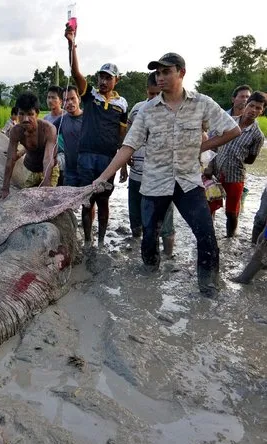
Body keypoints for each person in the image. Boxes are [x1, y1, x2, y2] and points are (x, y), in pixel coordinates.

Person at [93, 52, 241, 297]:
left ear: (181, 72)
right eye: (158, 73)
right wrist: (102, 177)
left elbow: (232, 129)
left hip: (188, 181)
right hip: (155, 182)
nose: (160, 77)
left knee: (205, 233)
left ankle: (208, 286)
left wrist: (202, 146)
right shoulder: (147, 111)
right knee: (149, 235)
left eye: (166, 72)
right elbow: (128, 146)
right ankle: (149, 277)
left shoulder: (202, 103)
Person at [65, 24, 129, 247]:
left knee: (103, 201)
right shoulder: (90, 95)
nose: (103, 81)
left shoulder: (122, 104)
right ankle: (89, 241)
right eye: (101, 77)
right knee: (86, 201)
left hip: (108, 160)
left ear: (116, 80)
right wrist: (71, 44)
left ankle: (101, 242)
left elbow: (123, 136)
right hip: (86, 157)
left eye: (108, 78)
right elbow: (75, 73)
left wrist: (123, 164)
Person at [125, 73, 176, 255]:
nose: (155, 98)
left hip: (162, 178)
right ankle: (137, 252)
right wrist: (123, 165)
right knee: (136, 218)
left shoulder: (172, 110)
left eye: (158, 94)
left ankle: (169, 256)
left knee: (166, 222)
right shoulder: (138, 109)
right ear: (146, 90)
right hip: (137, 174)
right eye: (151, 94)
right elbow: (128, 138)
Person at [205, 91, 265, 237]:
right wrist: (209, 167)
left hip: (236, 176)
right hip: (215, 173)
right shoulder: (228, 122)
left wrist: (235, 158)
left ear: (262, 111)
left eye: (258, 108)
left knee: (232, 212)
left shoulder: (258, 136)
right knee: (209, 207)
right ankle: (209, 237)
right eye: (251, 106)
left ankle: (230, 239)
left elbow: (250, 159)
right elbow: (213, 145)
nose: (253, 110)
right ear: (246, 105)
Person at [0, 91, 59, 201]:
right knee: (25, 199)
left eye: (30, 114)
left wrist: (46, 185)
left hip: (49, 170)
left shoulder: (48, 129)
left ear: (37, 113)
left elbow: (48, 159)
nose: (25, 119)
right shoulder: (16, 131)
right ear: (17, 114)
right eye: (21, 114)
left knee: (46, 200)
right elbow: (10, 159)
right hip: (31, 169)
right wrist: (5, 188)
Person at [52, 85, 84, 187]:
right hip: (70, 172)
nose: (69, 102)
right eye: (66, 100)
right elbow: (46, 136)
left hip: (87, 170)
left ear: (79, 99)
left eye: (72, 98)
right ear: (62, 103)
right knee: (70, 201)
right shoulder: (61, 120)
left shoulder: (88, 118)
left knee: (89, 201)